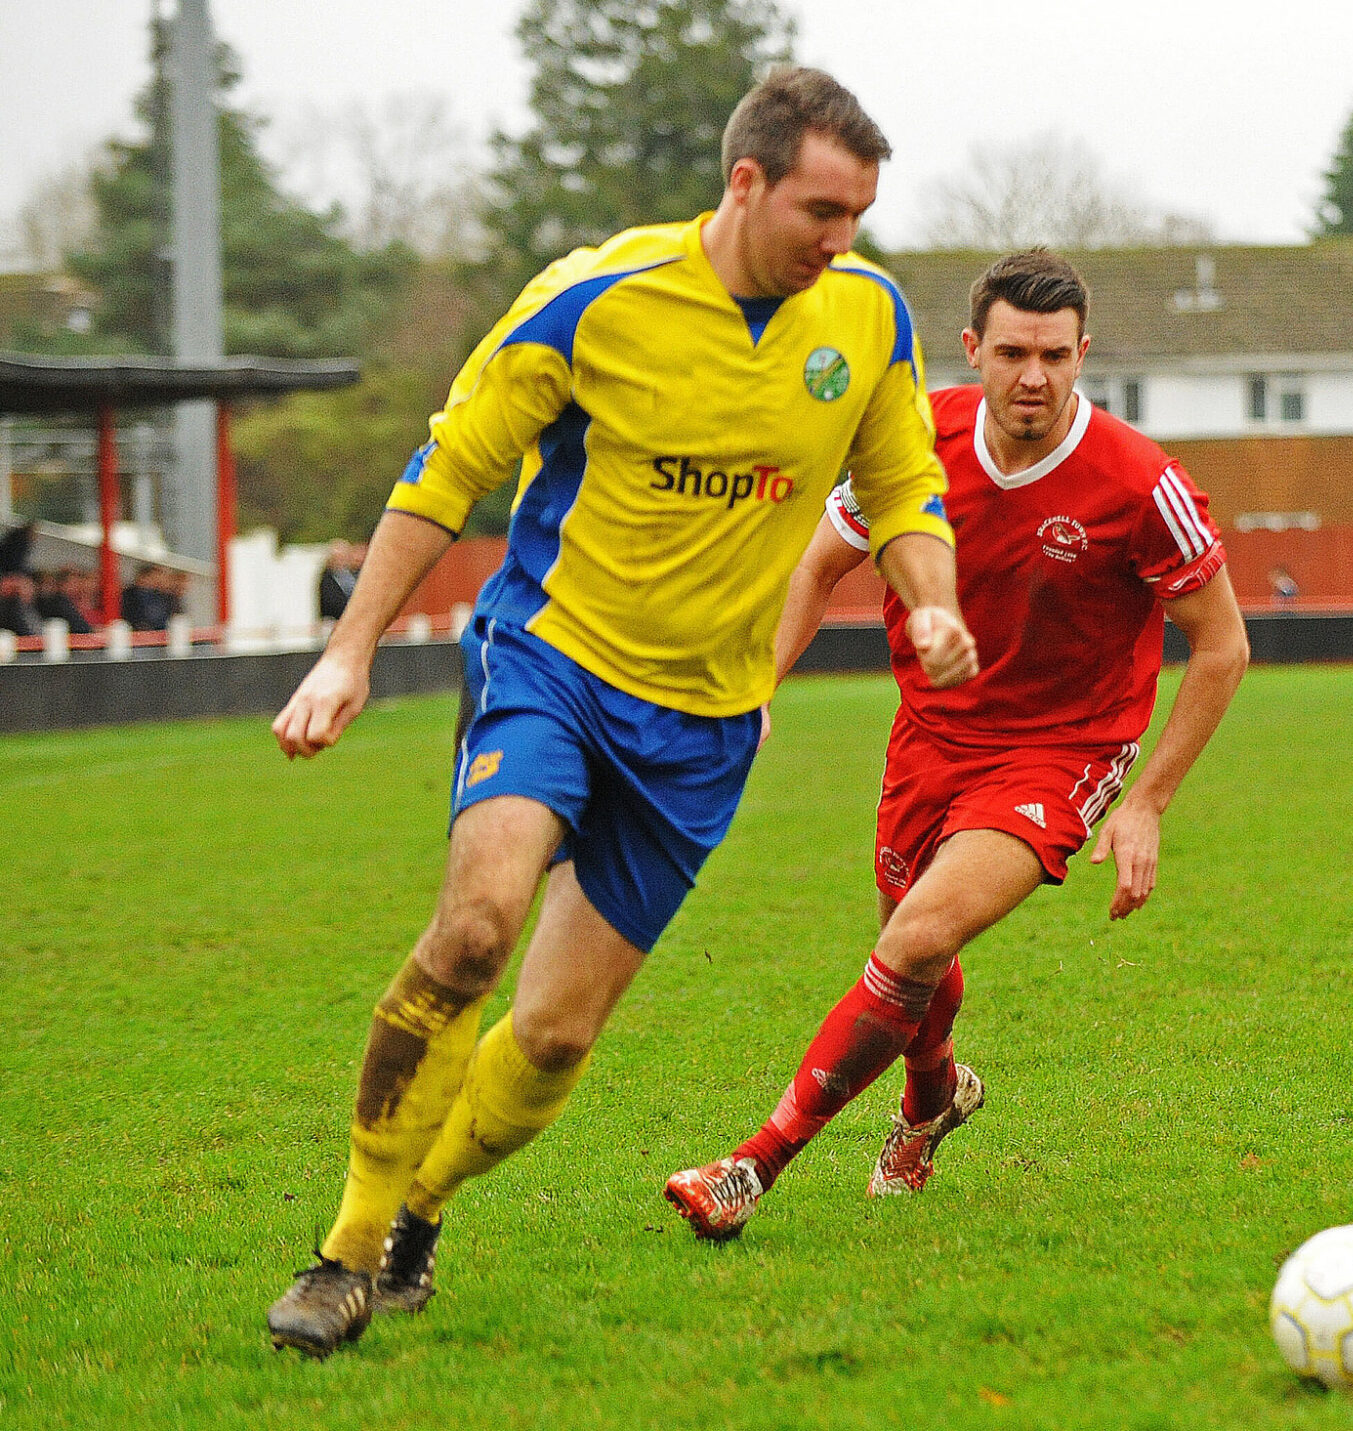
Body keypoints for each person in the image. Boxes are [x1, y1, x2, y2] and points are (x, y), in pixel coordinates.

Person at [262, 67, 977, 1359]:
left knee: (550, 1032)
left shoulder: (866, 320)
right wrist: (347, 651)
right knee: (475, 924)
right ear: (744, 180)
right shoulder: (596, 298)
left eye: (861, 213)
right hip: (553, 662)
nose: (842, 239)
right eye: (822, 208)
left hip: (704, 725)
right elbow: (450, 468)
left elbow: (905, 484)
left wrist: (930, 601)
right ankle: (345, 1244)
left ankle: (421, 1211)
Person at [664, 249, 1250, 1239]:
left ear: (1082, 355)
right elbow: (815, 570)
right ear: (973, 349)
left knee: (919, 936)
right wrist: (748, 693)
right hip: (930, 736)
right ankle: (929, 1103)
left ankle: (751, 1167)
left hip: (1060, 753)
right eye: (1014, 352)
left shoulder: (1139, 482)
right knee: (912, 950)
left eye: (1056, 356)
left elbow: (1222, 645)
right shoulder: (909, 444)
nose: (1035, 377)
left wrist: (1146, 800)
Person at [35, 568, 95, 633]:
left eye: (76, 583)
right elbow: (81, 628)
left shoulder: (84, 600)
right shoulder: (57, 602)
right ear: (60, 584)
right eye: (72, 584)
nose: (75, 588)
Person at [318, 540, 365, 622]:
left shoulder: (355, 574)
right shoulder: (327, 579)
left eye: (343, 556)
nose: (341, 560)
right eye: (338, 557)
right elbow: (330, 602)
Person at [121, 564, 175, 631]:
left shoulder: (162, 596)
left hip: (159, 634)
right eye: (157, 574)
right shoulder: (129, 594)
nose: (159, 577)